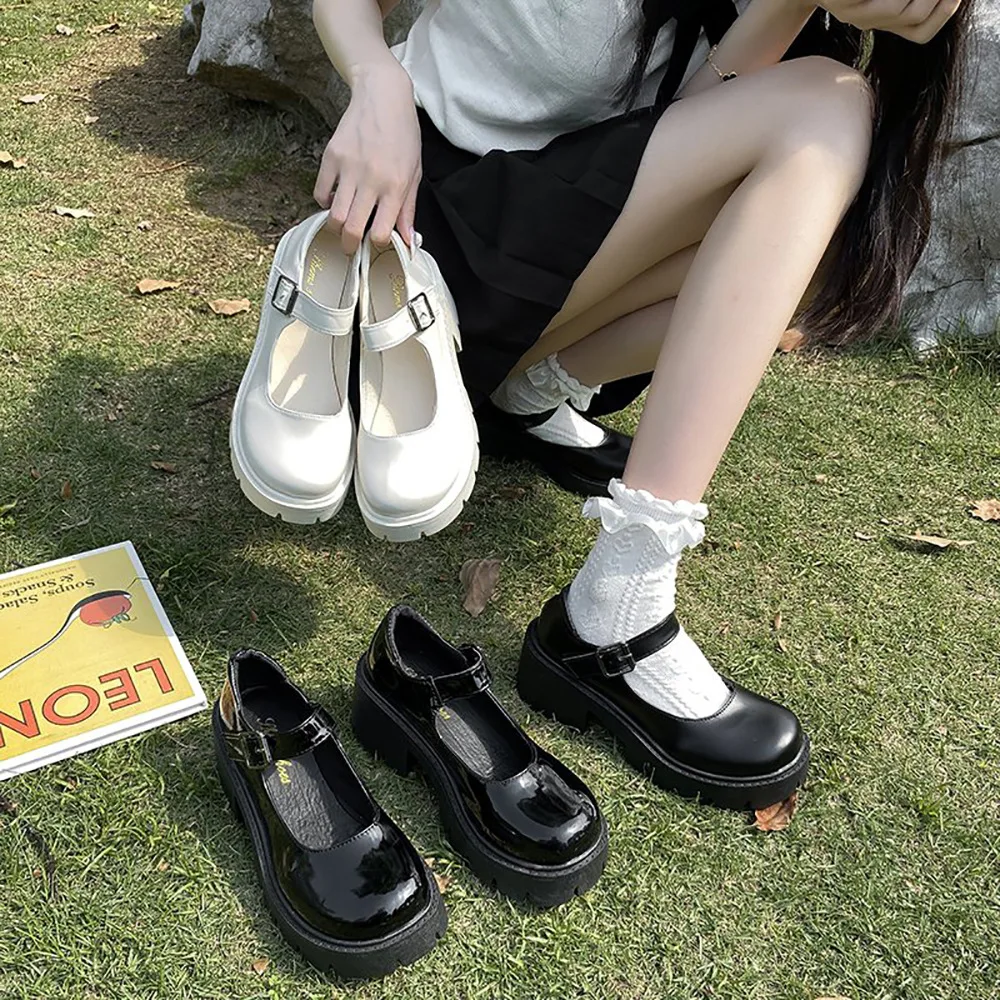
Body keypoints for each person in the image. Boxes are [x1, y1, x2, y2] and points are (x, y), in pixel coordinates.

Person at [308, 0, 970, 804]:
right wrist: (375, 78)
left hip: (538, 258)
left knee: (826, 216)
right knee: (827, 109)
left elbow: (683, 148)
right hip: (412, 258)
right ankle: (620, 602)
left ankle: (524, 391)